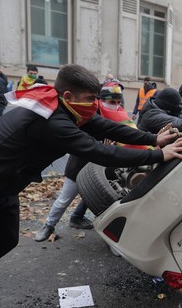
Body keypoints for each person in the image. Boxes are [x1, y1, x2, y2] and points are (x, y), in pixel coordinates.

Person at [0, 64, 182, 308]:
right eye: (90, 99)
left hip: (2, 188)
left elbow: (103, 126)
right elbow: (100, 152)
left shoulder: (61, 105)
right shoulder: (51, 121)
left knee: (7, 241)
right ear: (67, 95)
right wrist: (157, 155)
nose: (95, 105)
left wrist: (152, 139)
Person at [35, 79, 142, 242]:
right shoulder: (87, 113)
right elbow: (80, 139)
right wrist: (101, 145)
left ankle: (89, 225)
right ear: (100, 99)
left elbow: (126, 134)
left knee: (98, 198)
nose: (115, 105)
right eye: (111, 101)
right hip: (80, 166)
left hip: (101, 168)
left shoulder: (119, 115)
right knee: (65, 199)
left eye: (118, 102)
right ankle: (48, 225)